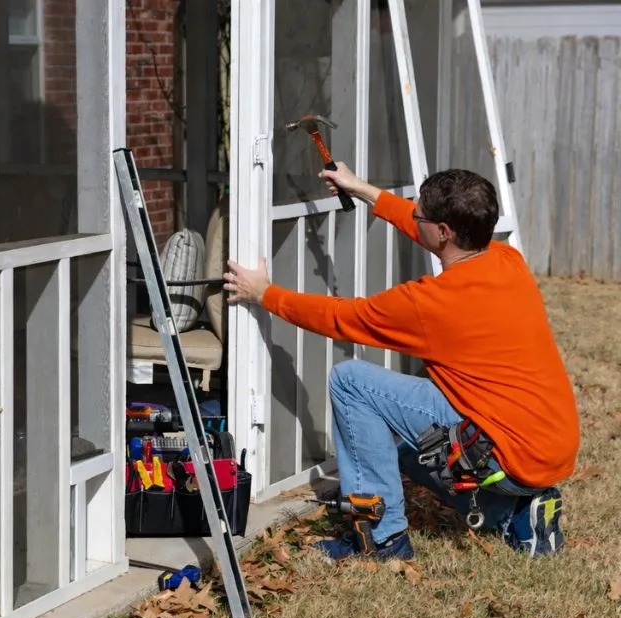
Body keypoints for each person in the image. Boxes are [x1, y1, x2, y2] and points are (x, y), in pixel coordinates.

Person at [222, 164, 579, 561]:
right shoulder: (507, 260)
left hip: (509, 455)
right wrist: (361, 188)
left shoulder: (431, 304)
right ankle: (518, 515)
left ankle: (382, 539)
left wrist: (265, 294)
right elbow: (420, 226)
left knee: (351, 381)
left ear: (443, 231)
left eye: (419, 214)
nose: (413, 215)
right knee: (410, 453)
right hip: (550, 447)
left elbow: (340, 317)